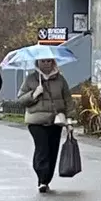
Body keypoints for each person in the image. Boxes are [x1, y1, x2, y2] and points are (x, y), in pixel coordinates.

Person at [17, 58, 77, 192]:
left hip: (55, 121)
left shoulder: (60, 79)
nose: (46, 64)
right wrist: (34, 94)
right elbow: (21, 99)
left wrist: (69, 121)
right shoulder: (31, 79)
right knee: (42, 149)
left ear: (53, 62)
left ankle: (47, 179)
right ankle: (42, 178)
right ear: (37, 63)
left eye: (49, 61)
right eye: (43, 61)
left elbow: (68, 100)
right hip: (36, 121)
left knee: (52, 150)